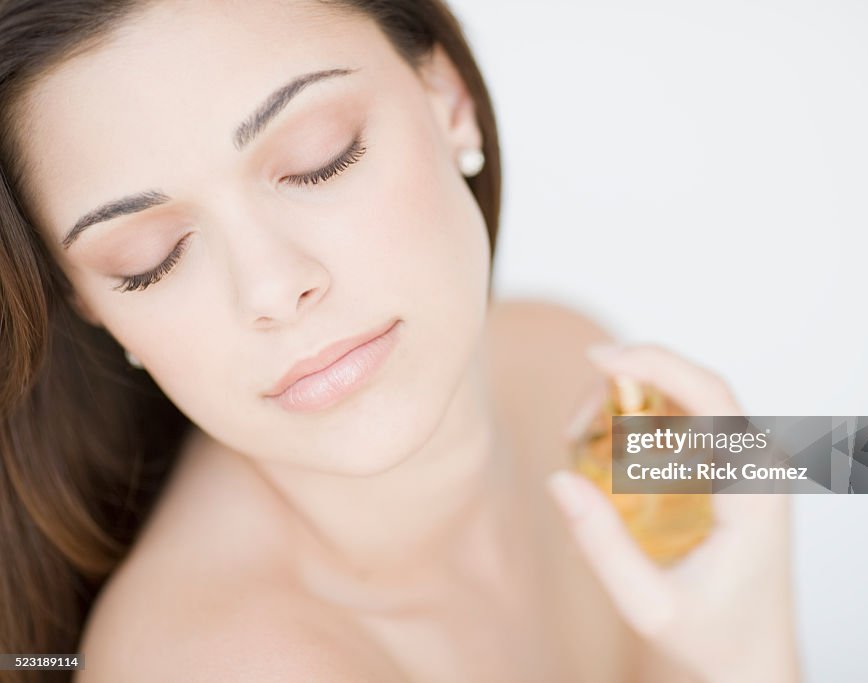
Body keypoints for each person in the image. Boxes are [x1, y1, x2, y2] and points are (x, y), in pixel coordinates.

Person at [0, 1, 801, 680]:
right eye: (151, 260)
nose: (275, 288)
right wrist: (753, 652)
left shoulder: (567, 358)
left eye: (319, 160)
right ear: (92, 304)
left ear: (447, 96)